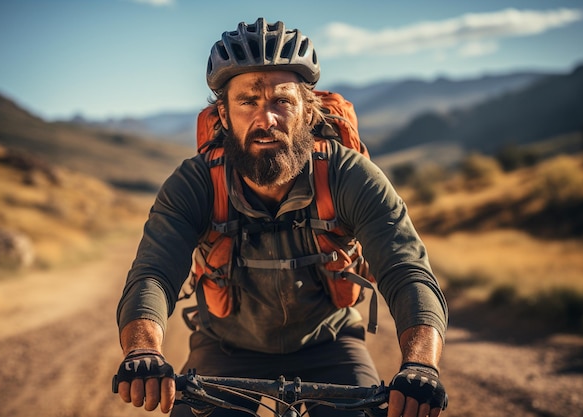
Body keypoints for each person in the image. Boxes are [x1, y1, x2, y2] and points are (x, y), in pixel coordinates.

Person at [115, 18, 448, 417]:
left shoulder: (349, 176)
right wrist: (143, 351)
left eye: (282, 101)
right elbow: (153, 273)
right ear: (223, 114)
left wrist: (421, 364)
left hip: (330, 344)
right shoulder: (197, 182)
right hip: (225, 348)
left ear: (308, 111)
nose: (266, 119)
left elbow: (406, 270)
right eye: (248, 101)